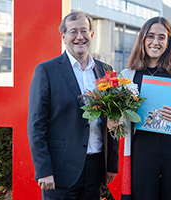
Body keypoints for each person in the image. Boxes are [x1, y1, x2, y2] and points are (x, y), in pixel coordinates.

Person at [27, 11, 119, 200]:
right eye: (73, 32)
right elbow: (36, 125)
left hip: (95, 169)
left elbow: (113, 117)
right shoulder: (46, 71)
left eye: (84, 31)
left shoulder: (106, 71)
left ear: (92, 34)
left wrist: (111, 164)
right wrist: (43, 170)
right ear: (63, 36)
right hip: (60, 171)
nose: (79, 37)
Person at [120, 16, 171, 200]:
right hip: (142, 151)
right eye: (150, 36)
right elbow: (119, 121)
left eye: (162, 37)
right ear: (142, 39)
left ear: (169, 42)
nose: (155, 42)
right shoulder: (128, 75)